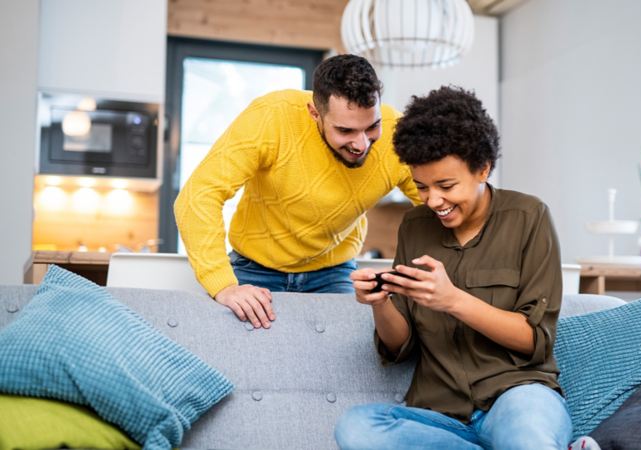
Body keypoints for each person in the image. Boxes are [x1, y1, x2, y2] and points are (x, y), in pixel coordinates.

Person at [335, 86, 578, 449]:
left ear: (483, 168)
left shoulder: (528, 217)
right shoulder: (415, 226)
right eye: (421, 187)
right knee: (355, 427)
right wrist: (380, 303)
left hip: (517, 397)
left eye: (446, 185)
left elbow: (535, 341)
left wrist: (452, 300)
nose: (434, 200)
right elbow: (400, 346)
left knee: (526, 437)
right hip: (440, 415)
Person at [174, 55, 420, 329]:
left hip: (333, 272)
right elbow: (198, 196)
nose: (361, 144)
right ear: (315, 113)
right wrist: (224, 286)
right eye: (345, 130)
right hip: (254, 268)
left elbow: (437, 204)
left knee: (356, 343)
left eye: (372, 126)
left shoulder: (396, 134)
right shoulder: (271, 115)